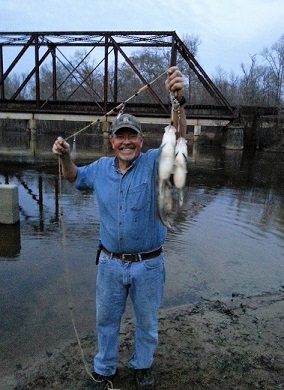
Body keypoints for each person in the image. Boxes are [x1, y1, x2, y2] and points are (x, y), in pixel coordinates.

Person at [52, 66, 186, 390]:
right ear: (111, 140)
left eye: (132, 136)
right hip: (110, 264)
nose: (126, 141)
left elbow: (178, 137)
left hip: (149, 264)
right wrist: (66, 156)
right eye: (120, 135)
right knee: (106, 322)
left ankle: (142, 365)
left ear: (141, 139)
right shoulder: (98, 169)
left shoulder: (156, 163)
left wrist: (178, 101)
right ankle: (105, 369)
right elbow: (72, 176)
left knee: (147, 324)